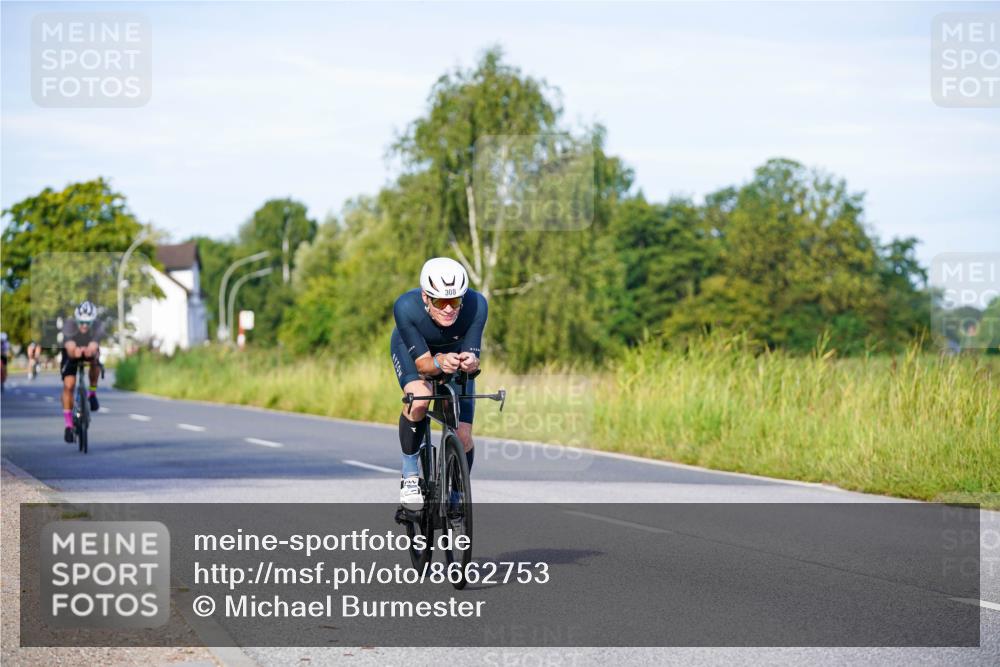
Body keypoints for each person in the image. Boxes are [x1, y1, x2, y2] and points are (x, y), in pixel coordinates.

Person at [390, 257, 487, 510]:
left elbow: (473, 353)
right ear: (425, 297)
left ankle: (457, 493)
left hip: (452, 355)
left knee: (463, 435)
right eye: (439, 301)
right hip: (416, 353)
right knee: (420, 398)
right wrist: (438, 361)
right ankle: (410, 476)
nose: (448, 309)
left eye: (454, 301)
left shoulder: (477, 305)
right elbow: (423, 366)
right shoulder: (405, 307)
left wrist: (471, 362)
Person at [60, 301, 105, 443]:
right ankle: (68, 426)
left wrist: (89, 351)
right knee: (69, 385)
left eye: (88, 323)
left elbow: (93, 345)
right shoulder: (69, 325)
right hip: (72, 352)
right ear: (76, 320)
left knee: (95, 359)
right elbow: (70, 348)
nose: (84, 326)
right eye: (81, 322)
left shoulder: (98, 326)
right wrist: (76, 353)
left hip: (88, 350)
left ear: (93, 321)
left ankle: (92, 393)